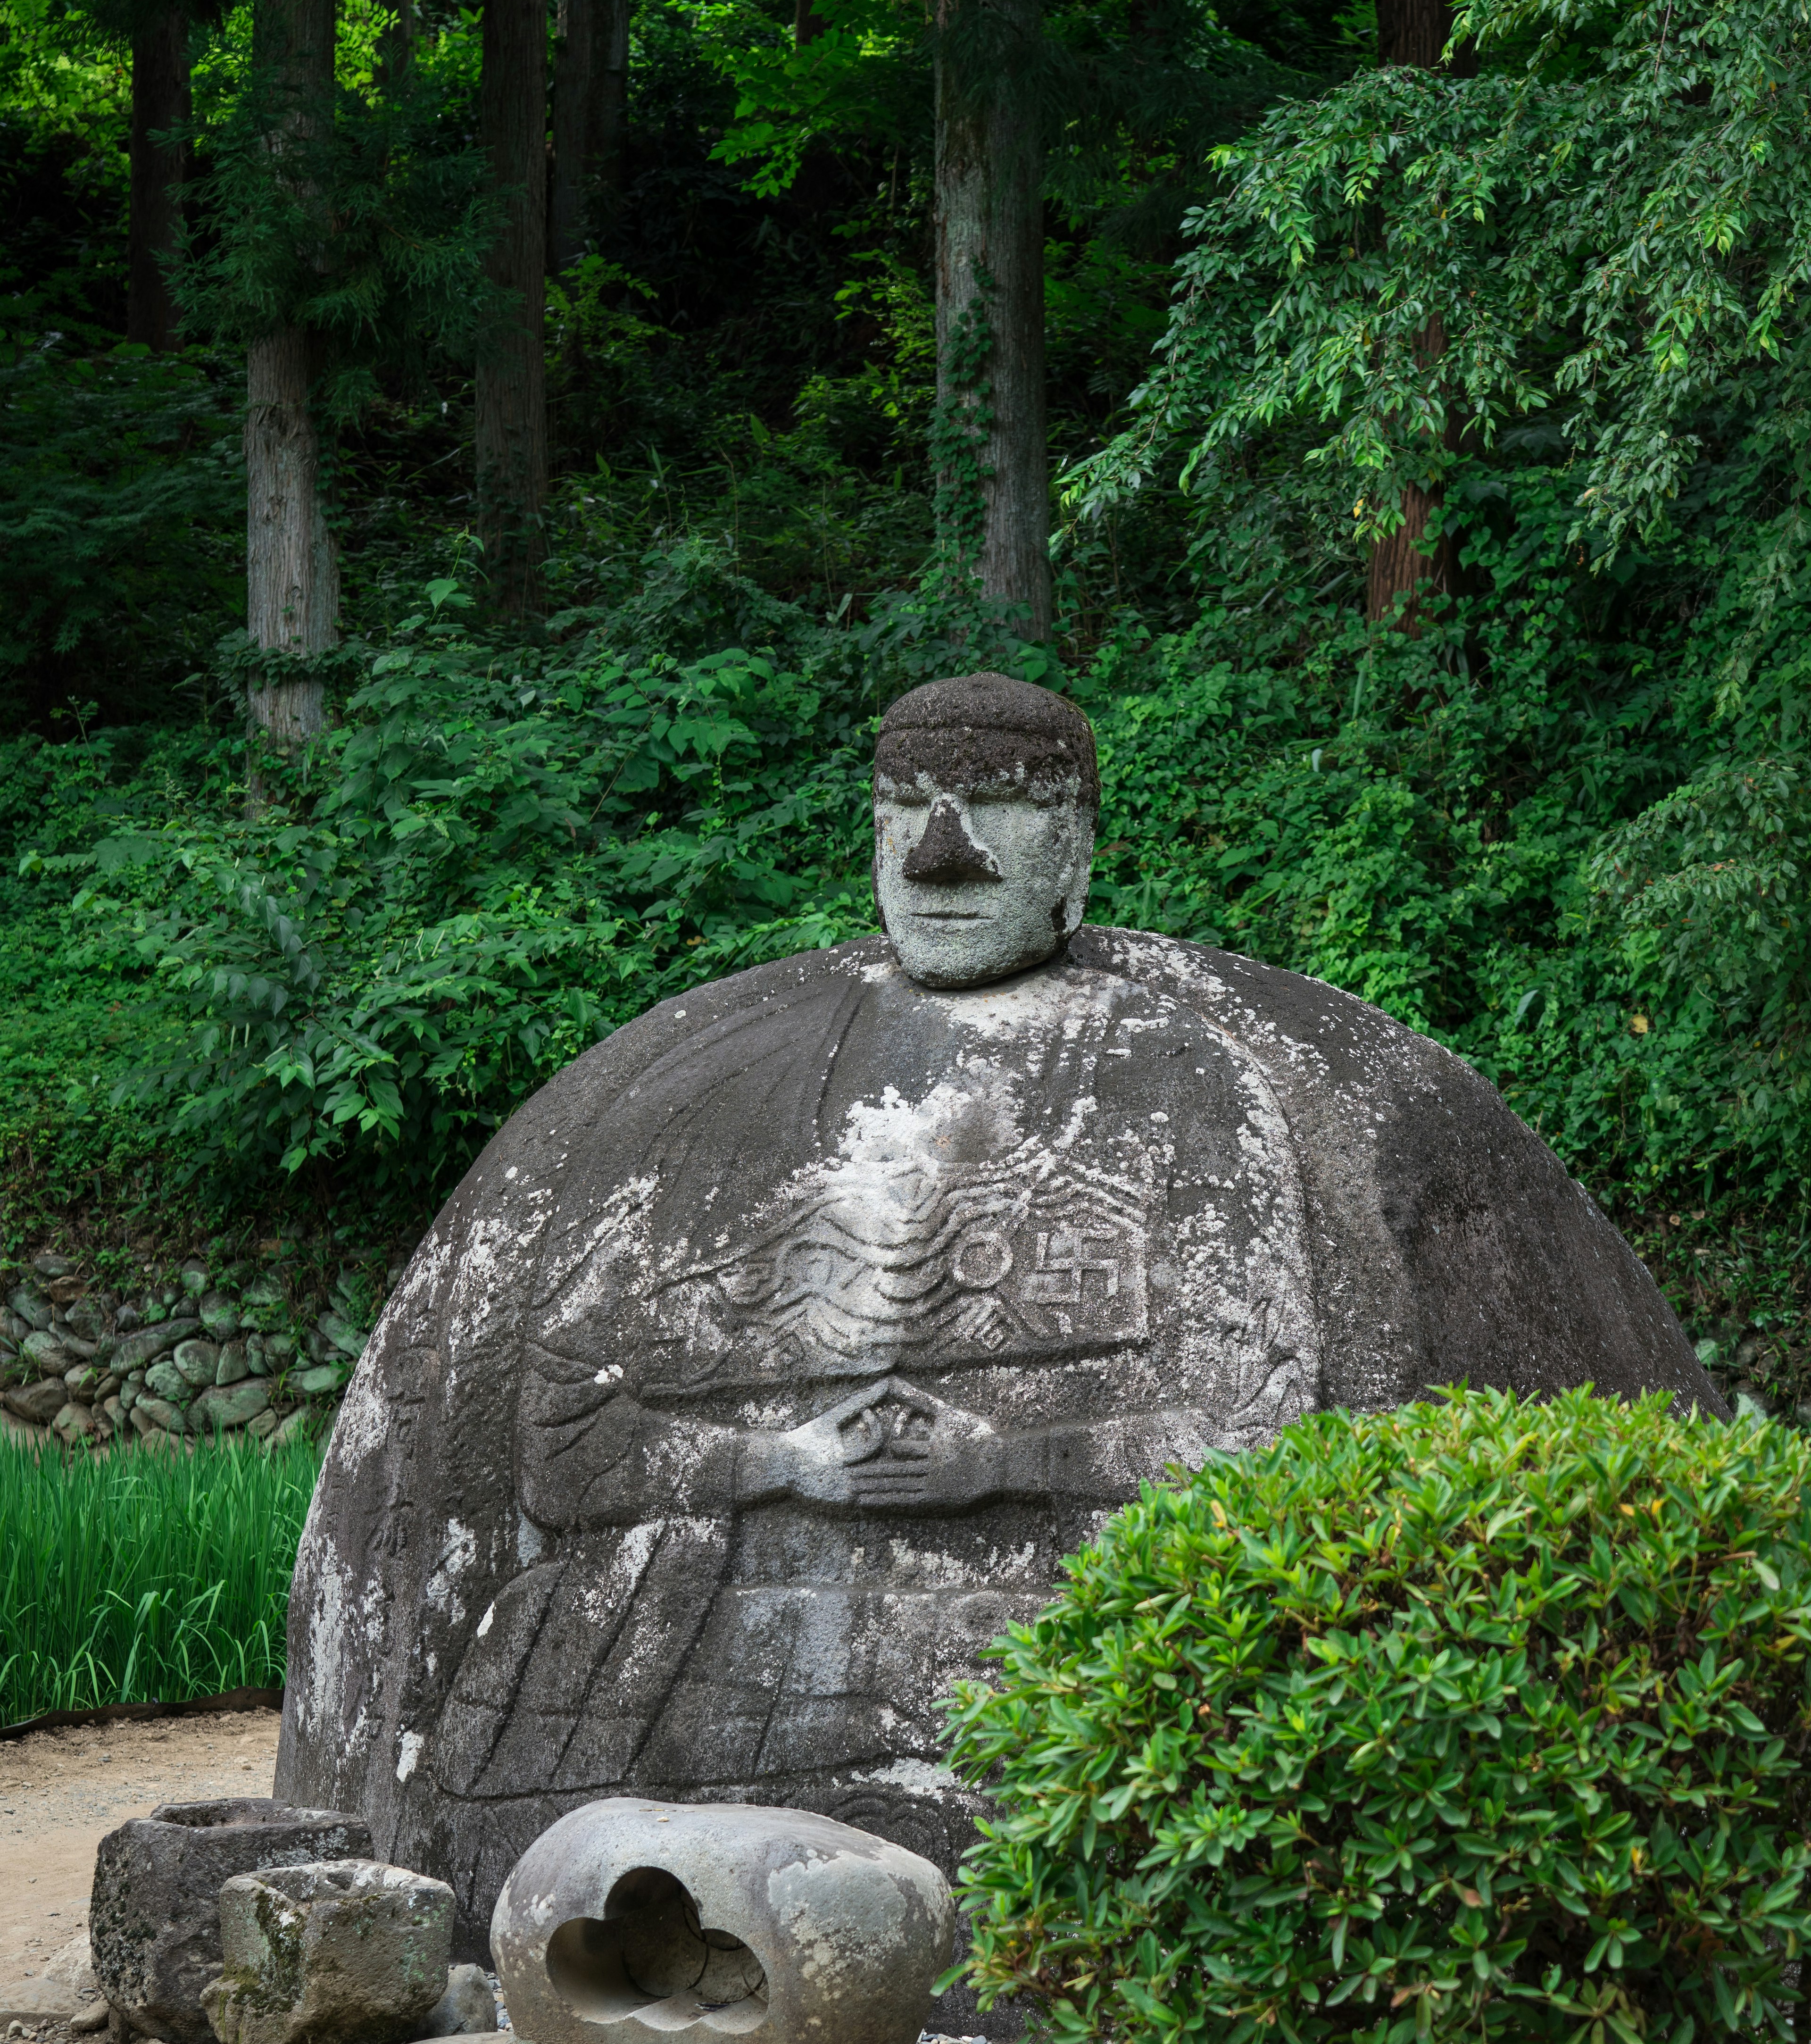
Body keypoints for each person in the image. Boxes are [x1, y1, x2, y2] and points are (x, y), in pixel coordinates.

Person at [278, 673, 1715, 1952]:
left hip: (1041, 1635)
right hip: (733, 1645)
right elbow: (563, 1438)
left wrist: (1000, 1462)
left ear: (1079, 848)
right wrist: (786, 1461)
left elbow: (1257, 1433)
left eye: (1003, 806)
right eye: (907, 804)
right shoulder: (700, 1091)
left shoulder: (1187, 1079)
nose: (942, 850)